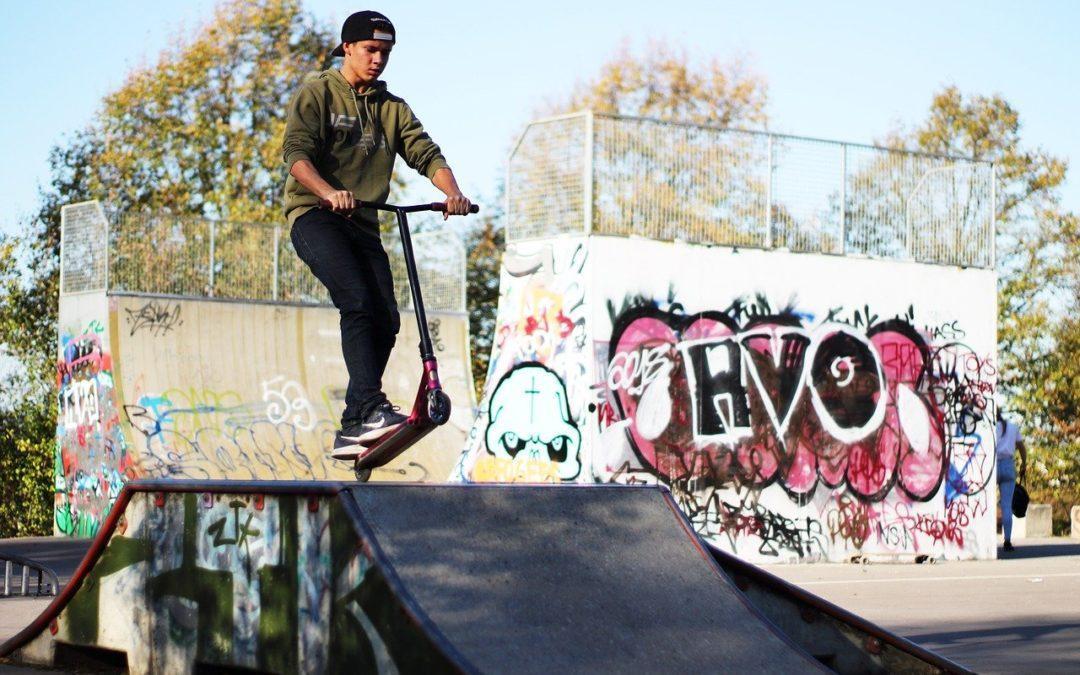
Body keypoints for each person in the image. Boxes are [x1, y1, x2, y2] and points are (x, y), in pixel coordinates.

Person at [282, 10, 471, 459]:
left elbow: (425, 153)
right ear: (347, 48)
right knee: (359, 301)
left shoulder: (392, 107)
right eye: (370, 50)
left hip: (362, 224)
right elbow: (296, 156)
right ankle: (368, 408)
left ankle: (353, 422)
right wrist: (329, 193)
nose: (378, 59)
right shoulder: (319, 93)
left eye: (385, 52)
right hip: (315, 216)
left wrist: (453, 193)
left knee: (386, 319)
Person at [995, 408, 1027, 552]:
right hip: (1008, 464)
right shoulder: (1013, 427)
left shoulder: (990, 427)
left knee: (987, 506)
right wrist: (1023, 464)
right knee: (1007, 505)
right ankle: (1007, 540)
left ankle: (987, 540)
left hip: (992, 465)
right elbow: (1021, 447)